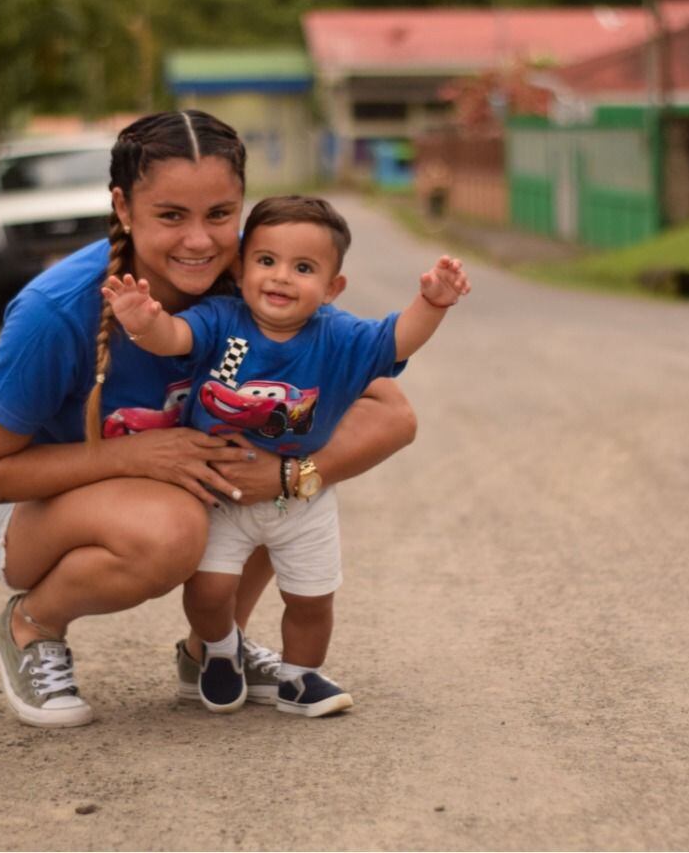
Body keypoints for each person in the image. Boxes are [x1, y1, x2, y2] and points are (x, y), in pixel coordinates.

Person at [0, 111, 417, 729]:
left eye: (219, 215)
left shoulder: (253, 282)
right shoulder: (57, 311)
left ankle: (213, 650)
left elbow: (390, 413)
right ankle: (33, 624)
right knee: (172, 531)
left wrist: (290, 476)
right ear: (123, 206)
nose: (199, 241)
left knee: (276, 452)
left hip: (148, 477)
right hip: (8, 502)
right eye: (170, 216)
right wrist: (134, 456)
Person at [102, 195, 470, 717]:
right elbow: (174, 337)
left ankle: (300, 676)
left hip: (301, 503)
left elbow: (397, 338)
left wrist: (432, 304)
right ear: (241, 265)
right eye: (266, 261)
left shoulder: (339, 336)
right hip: (222, 492)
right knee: (208, 591)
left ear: (331, 288)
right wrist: (143, 323)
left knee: (312, 599)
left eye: (303, 268)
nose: (279, 278)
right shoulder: (221, 319)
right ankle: (221, 651)